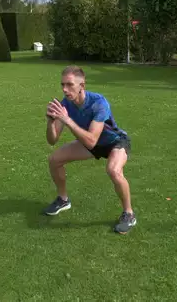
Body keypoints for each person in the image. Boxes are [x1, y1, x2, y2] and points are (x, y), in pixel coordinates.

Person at [44, 65, 136, 234]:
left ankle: (128, 213)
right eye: (62, 85)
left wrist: (67, 120)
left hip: (115, 142)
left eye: (70, 84)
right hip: (91, 143)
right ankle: (63, 200)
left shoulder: (99, 103)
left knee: (113, 170)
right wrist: (51, 122)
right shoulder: (66, 105)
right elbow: (52, 140)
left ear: (82, 86)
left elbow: (92, 141)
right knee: (54, 160)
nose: (65, 89)